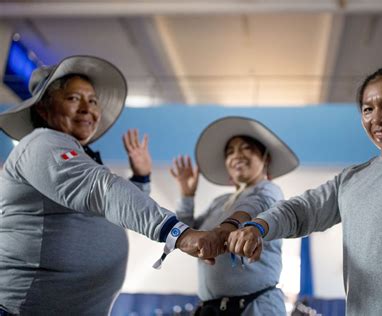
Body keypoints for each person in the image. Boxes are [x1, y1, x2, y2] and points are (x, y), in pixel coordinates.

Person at [227, 66, 382, 315]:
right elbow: (300, 210)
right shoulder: (351, 179)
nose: (377, 118)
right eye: (368, 109)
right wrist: (258, 226)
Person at [0, 55, 223, 315]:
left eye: (93, 100)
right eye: (73, 98)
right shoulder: (41, 143)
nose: (87, 108)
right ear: (43, 108)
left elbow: (111, 212)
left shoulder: (75, 155)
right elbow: (102, 190)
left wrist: (140, 178)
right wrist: (178, 233)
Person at [170, 116, 299, 315]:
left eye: (246, 148)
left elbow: (255, 205)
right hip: (212, 309)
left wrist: (227, 226)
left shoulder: (269, 190)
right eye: (230, 152)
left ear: (266, 158)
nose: (236, 155)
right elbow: (186, 236)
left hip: (255, 307)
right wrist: (187, 196)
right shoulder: (219, 202)